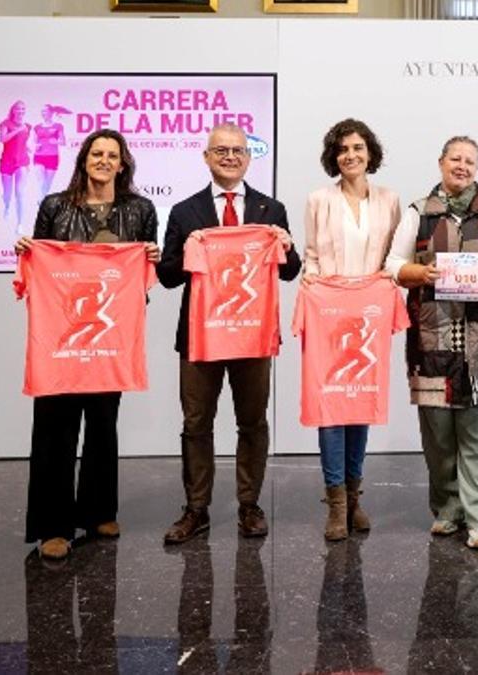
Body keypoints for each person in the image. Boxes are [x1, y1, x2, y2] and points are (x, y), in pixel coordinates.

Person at [13, 128, 159, 560]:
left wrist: (149, 258)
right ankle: (52, 526)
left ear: (123, 163)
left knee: (102, 423)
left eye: (112, 155)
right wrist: (28, 250)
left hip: (110, 336)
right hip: (60, 336)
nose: (104, 160)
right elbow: (39, 263)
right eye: (97, 153)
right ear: (84, 158)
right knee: (54, 426)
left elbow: (146, 276)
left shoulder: (140, 209)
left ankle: (98, 511)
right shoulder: (55, 206)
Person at [157, 123, 300, 544]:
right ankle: (196, 509)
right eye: (221, 150)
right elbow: (166, 276)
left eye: (237, 150)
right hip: (201, 337)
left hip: (252, 336)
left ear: (248, 157)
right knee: (196, 422)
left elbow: (290, 272)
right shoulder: (186, 212)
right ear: (206, 156)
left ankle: (249, 506)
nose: (230, 157)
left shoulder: (269, 211)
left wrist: (286, 246)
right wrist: (188, 252)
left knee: (252, 422)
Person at [387, 135, 478, 550]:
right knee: (439, 433)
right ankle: (447, 509)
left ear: (477, 167)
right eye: (455, 159)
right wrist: (418, 273)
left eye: (470, 161)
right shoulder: (418, 212)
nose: (462, 166)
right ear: (441, 162)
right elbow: (391, 263)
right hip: (433, 336)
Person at [301, 118, 400, 541]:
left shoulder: (390, 200)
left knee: (360, 403)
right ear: (333, 157)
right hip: (329, 313)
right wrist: (310, 278)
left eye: (358, 148)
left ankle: (355, 497)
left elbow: (394, 258)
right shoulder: (318, 200)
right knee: (330, 408)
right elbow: (310, 254)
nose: (351, 155)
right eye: (343, 149)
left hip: (369, 314)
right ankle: (335, 505)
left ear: (370, 153)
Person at [0, 100, 30, 230]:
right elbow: (3, 139)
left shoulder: (28, 126)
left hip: (22, 161)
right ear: (13, 110)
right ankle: (6, 206)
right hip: (7, 161)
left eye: (23, 109)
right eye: (18, 109)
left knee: (19, 193)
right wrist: (18, 130)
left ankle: (20, 223)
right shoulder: (5, 124)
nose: (21, 111)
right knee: (7, 193)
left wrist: (31, 148)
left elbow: (25, 143)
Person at [33, 104, 66, 197]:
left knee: (48, 183)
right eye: (42, 111)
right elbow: (34, 142)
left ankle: (44, 197)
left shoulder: (58, 126)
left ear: (51, 113)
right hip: (39, 156)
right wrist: (36, 146)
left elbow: (63, 141)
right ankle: (41, 199)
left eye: (46, 111)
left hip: (52, 156)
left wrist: (56, 142)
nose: (44, 113)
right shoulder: (37, 127)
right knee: (41, 181)